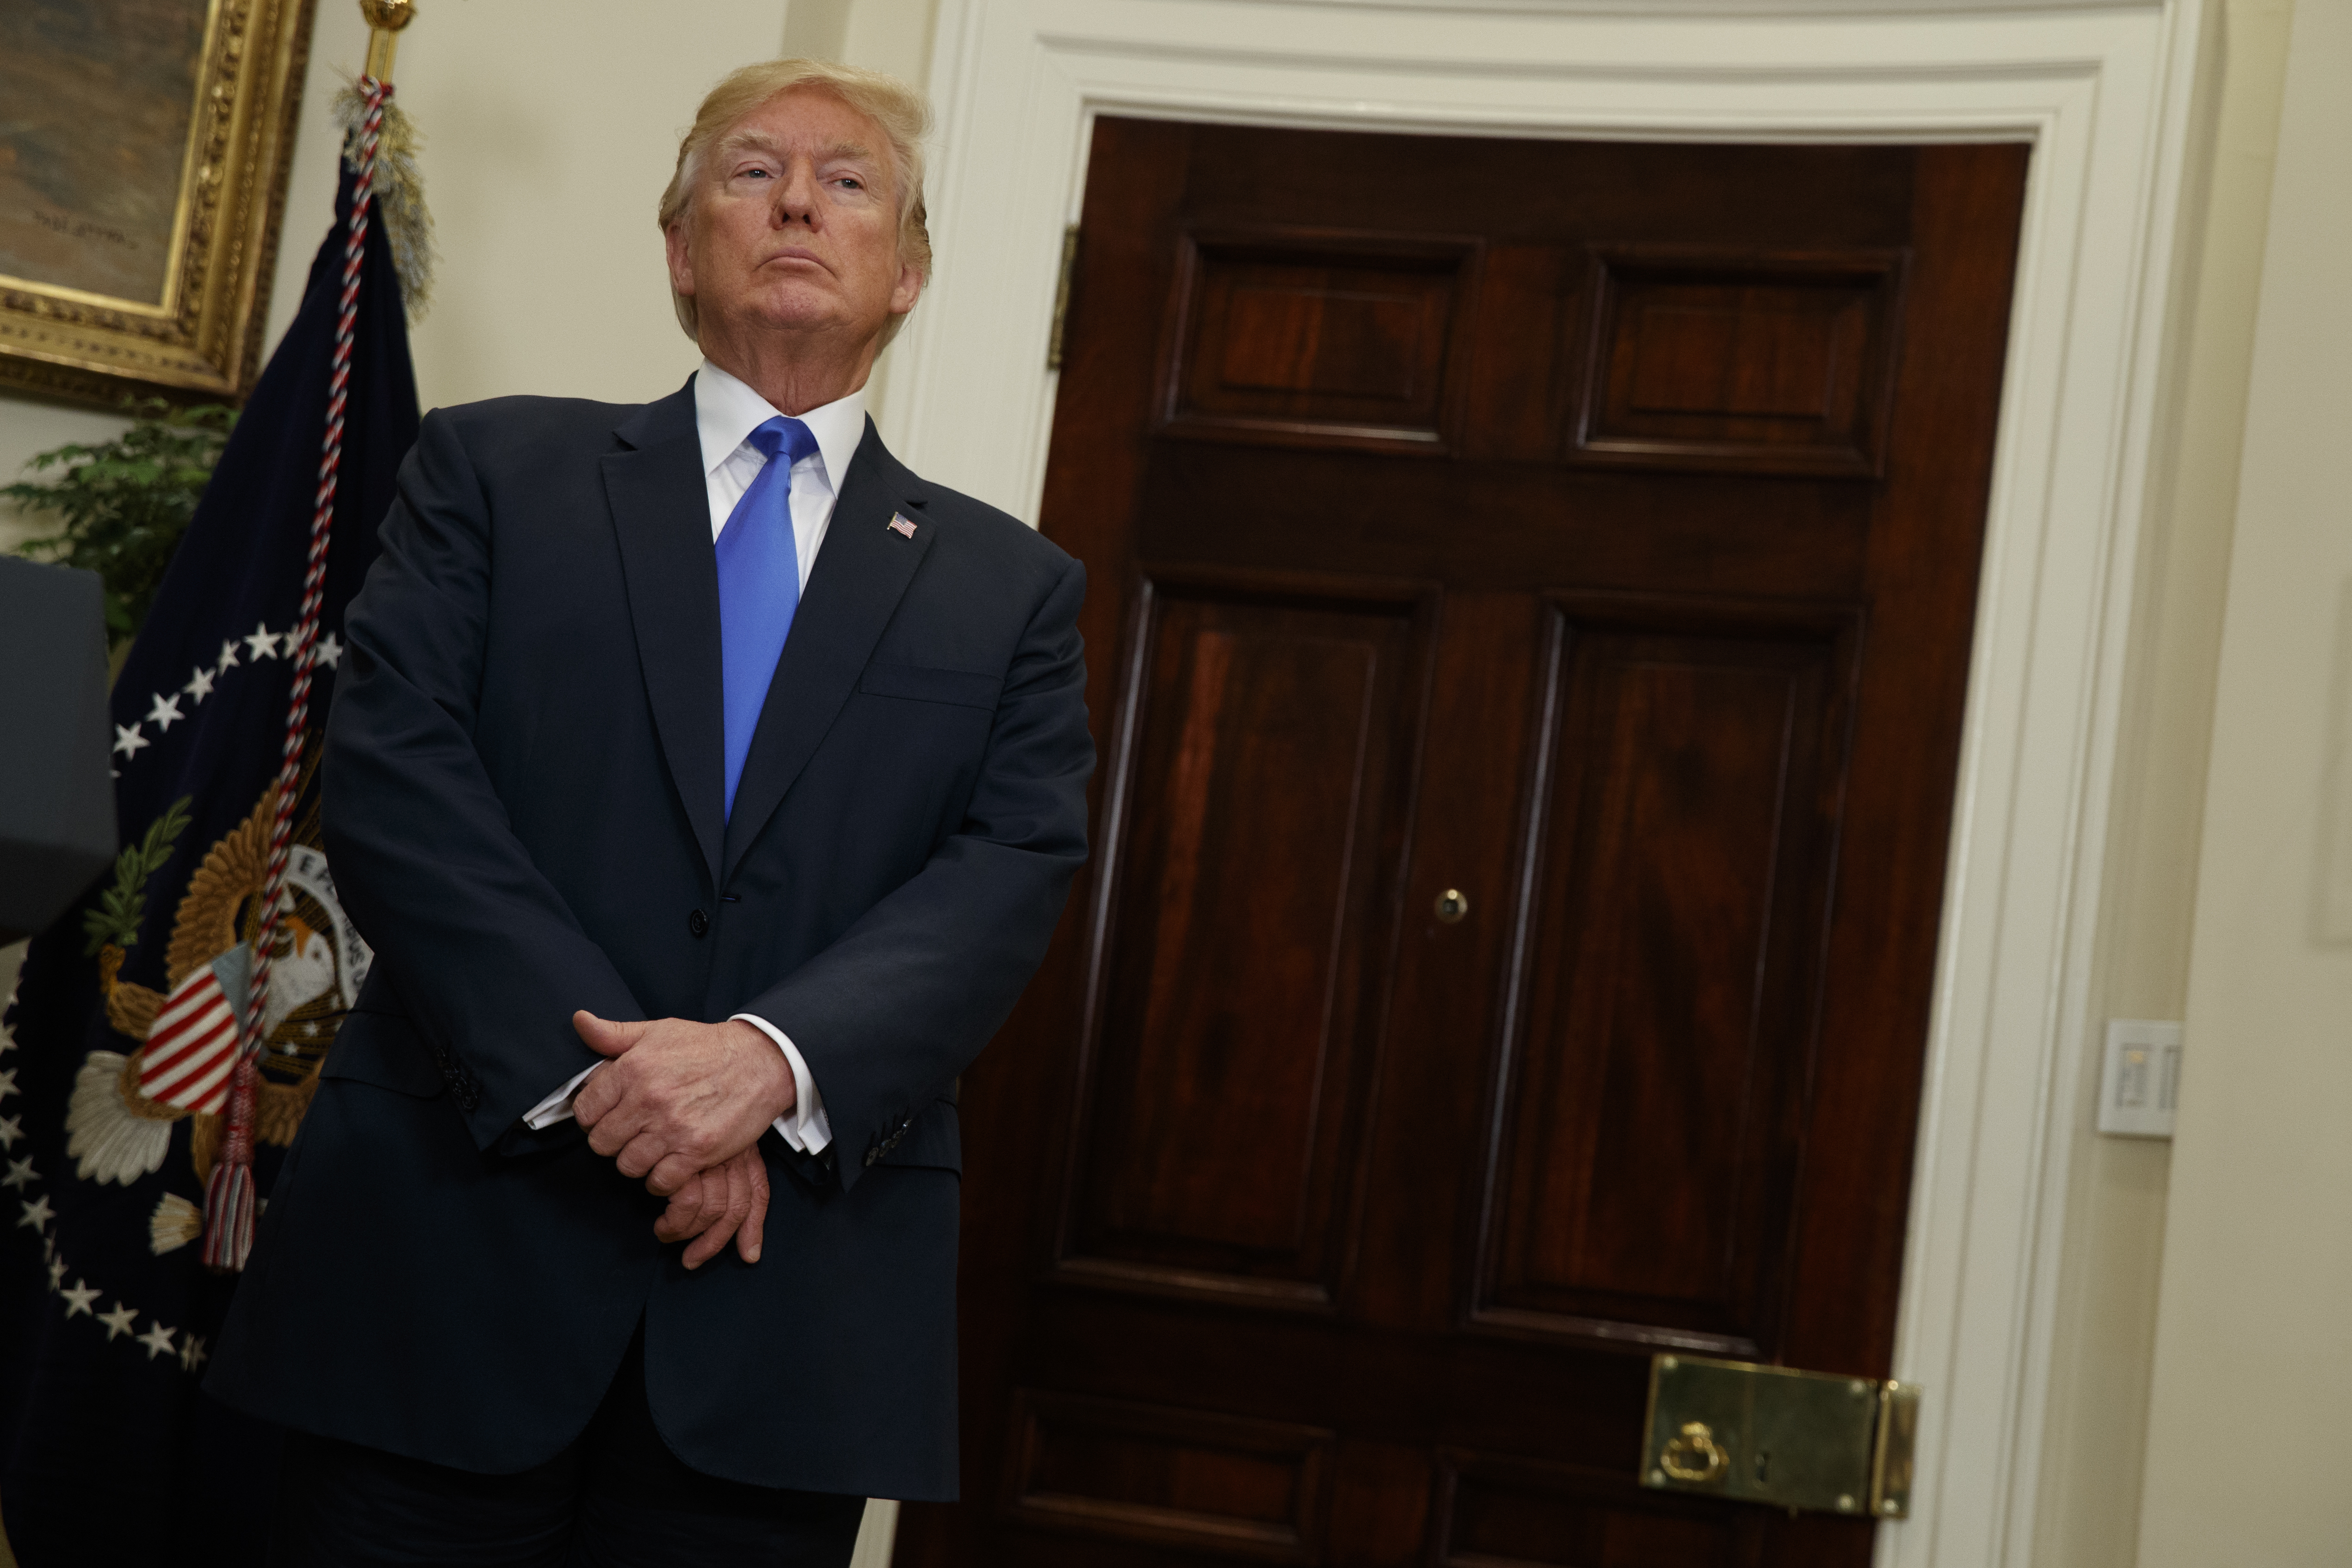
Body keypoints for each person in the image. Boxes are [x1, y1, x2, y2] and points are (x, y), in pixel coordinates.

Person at [205, 57, 1092, 1567]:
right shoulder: (490, 470)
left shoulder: (1014, 591)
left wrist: (765, 1063)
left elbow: (1007, 868)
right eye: (750, 172)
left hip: (783, 1316)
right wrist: (620, 1088)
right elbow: (394, 772)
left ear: (912, 272)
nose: (800, 199)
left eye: (849, 179)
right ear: (680, 250)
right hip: (448, 1268)